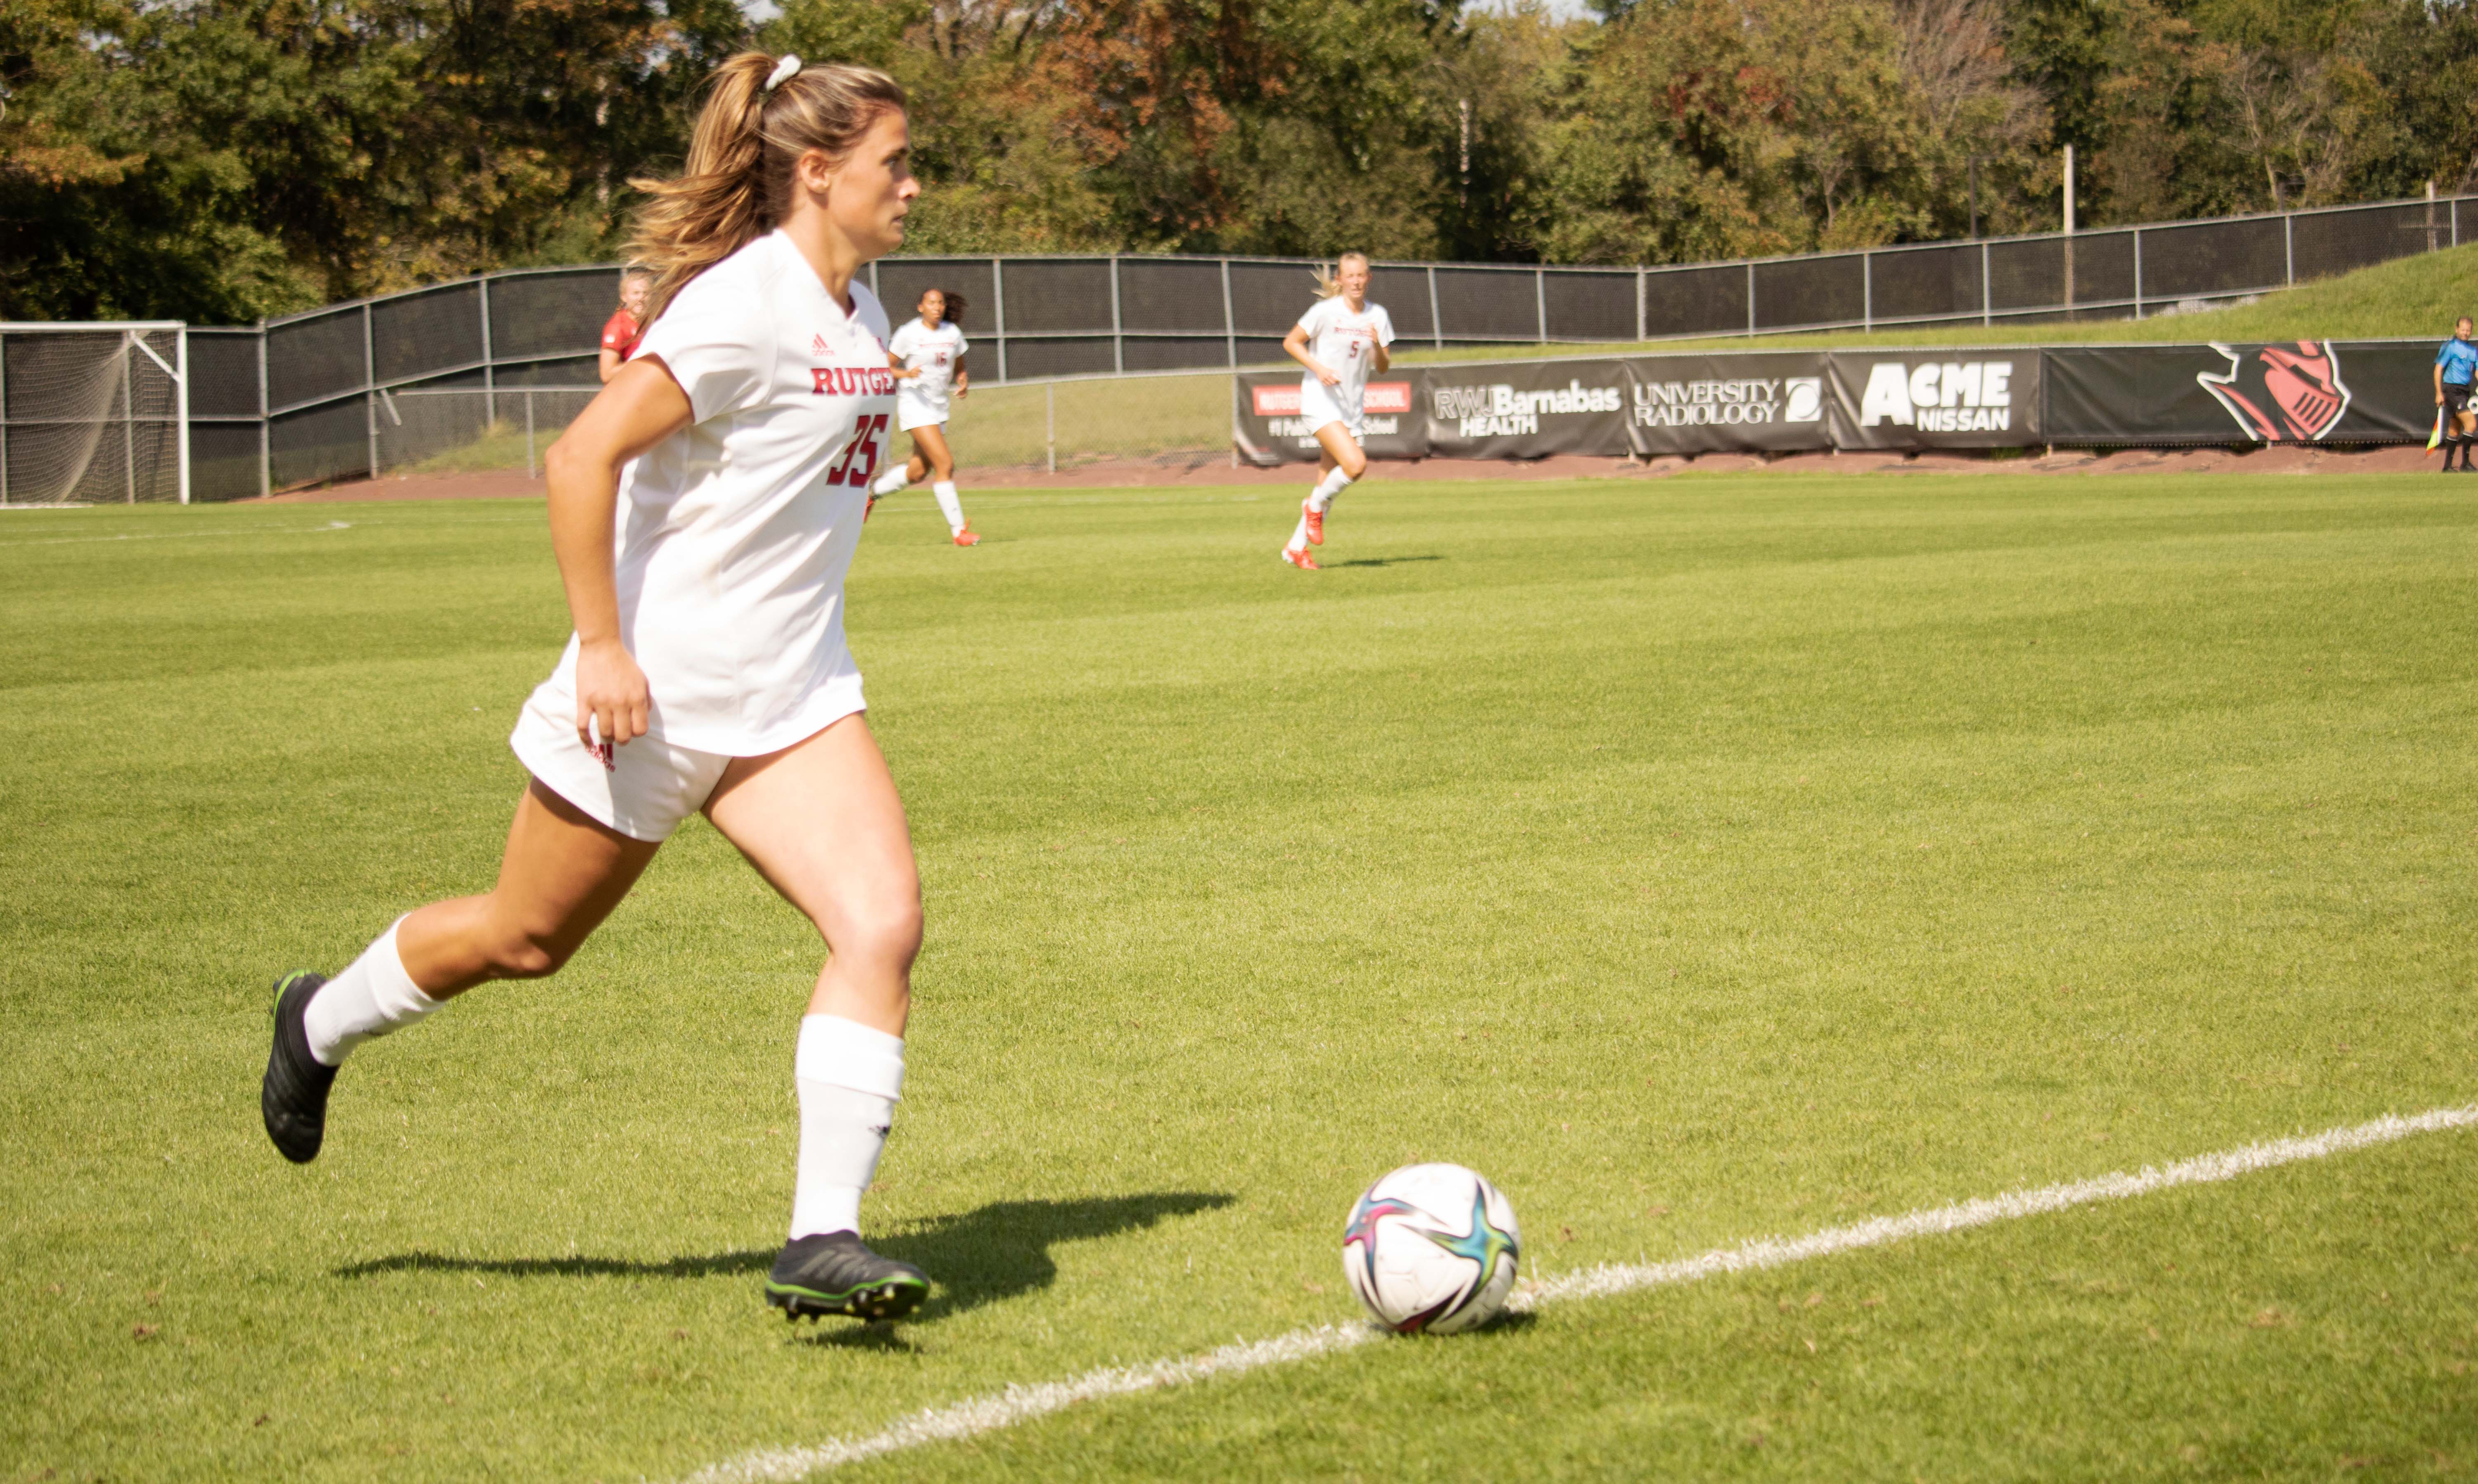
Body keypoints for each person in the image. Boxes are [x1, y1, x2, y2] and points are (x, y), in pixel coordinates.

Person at [259, 51, 937, 1325]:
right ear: (816, 170)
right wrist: (604, 648)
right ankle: (319, 1021)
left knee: (881, 924)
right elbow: (580, 460)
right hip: (651, 698)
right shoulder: (741, 303)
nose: (912, 184)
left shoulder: (862, 313)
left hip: (791, 702)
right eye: (894, 162)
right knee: (524, 940)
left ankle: (820, 1236)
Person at [1279, 252, 1393, 570]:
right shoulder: (1325, 312)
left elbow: (1383, 367)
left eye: (1362, 276)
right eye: (1350, 276)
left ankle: (1296, 548)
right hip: (1320, 400)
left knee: (1327, 483)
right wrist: (1319, 368)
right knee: (1356, 465)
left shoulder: (1378, 316)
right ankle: (1311, 506)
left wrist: (1377, 347)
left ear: (1369, 278)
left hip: (1350, 408)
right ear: (1339, 280)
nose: (1356, 281)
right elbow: (1291, 342)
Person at [869, 288, 979, 545]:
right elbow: (885, 367)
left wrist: (963, 383)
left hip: (939, 409)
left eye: (940, 303)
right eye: (931, 303)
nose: (937, 307)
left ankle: (870, 495)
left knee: (918, 472)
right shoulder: (909, 333)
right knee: (945, 465)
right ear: (921, 307)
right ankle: (959, 532)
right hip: (915, 405)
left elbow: (959, 369)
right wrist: (906, 375)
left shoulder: (952, 334)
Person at [2435, 316, 2477, 472]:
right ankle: (2465, 464)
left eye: (2469, 330)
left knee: (2455, 428)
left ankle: (2447, 467)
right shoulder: (2451, 347)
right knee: (2471, 424)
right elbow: (2438, 369)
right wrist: (2439, 392)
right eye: (2463, 330)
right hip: (2452, 390)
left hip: (2464, 390)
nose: (2466, 333)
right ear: (2457, 329)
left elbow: (2477, 371)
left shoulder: (2473, 351)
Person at [598, 268, 653, 383]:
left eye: (646, 293)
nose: (641, 299)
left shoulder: (655, 321)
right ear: (624, 297)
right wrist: (644, 362)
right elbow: (607, 374)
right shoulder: (618, 327)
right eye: (636, 293)